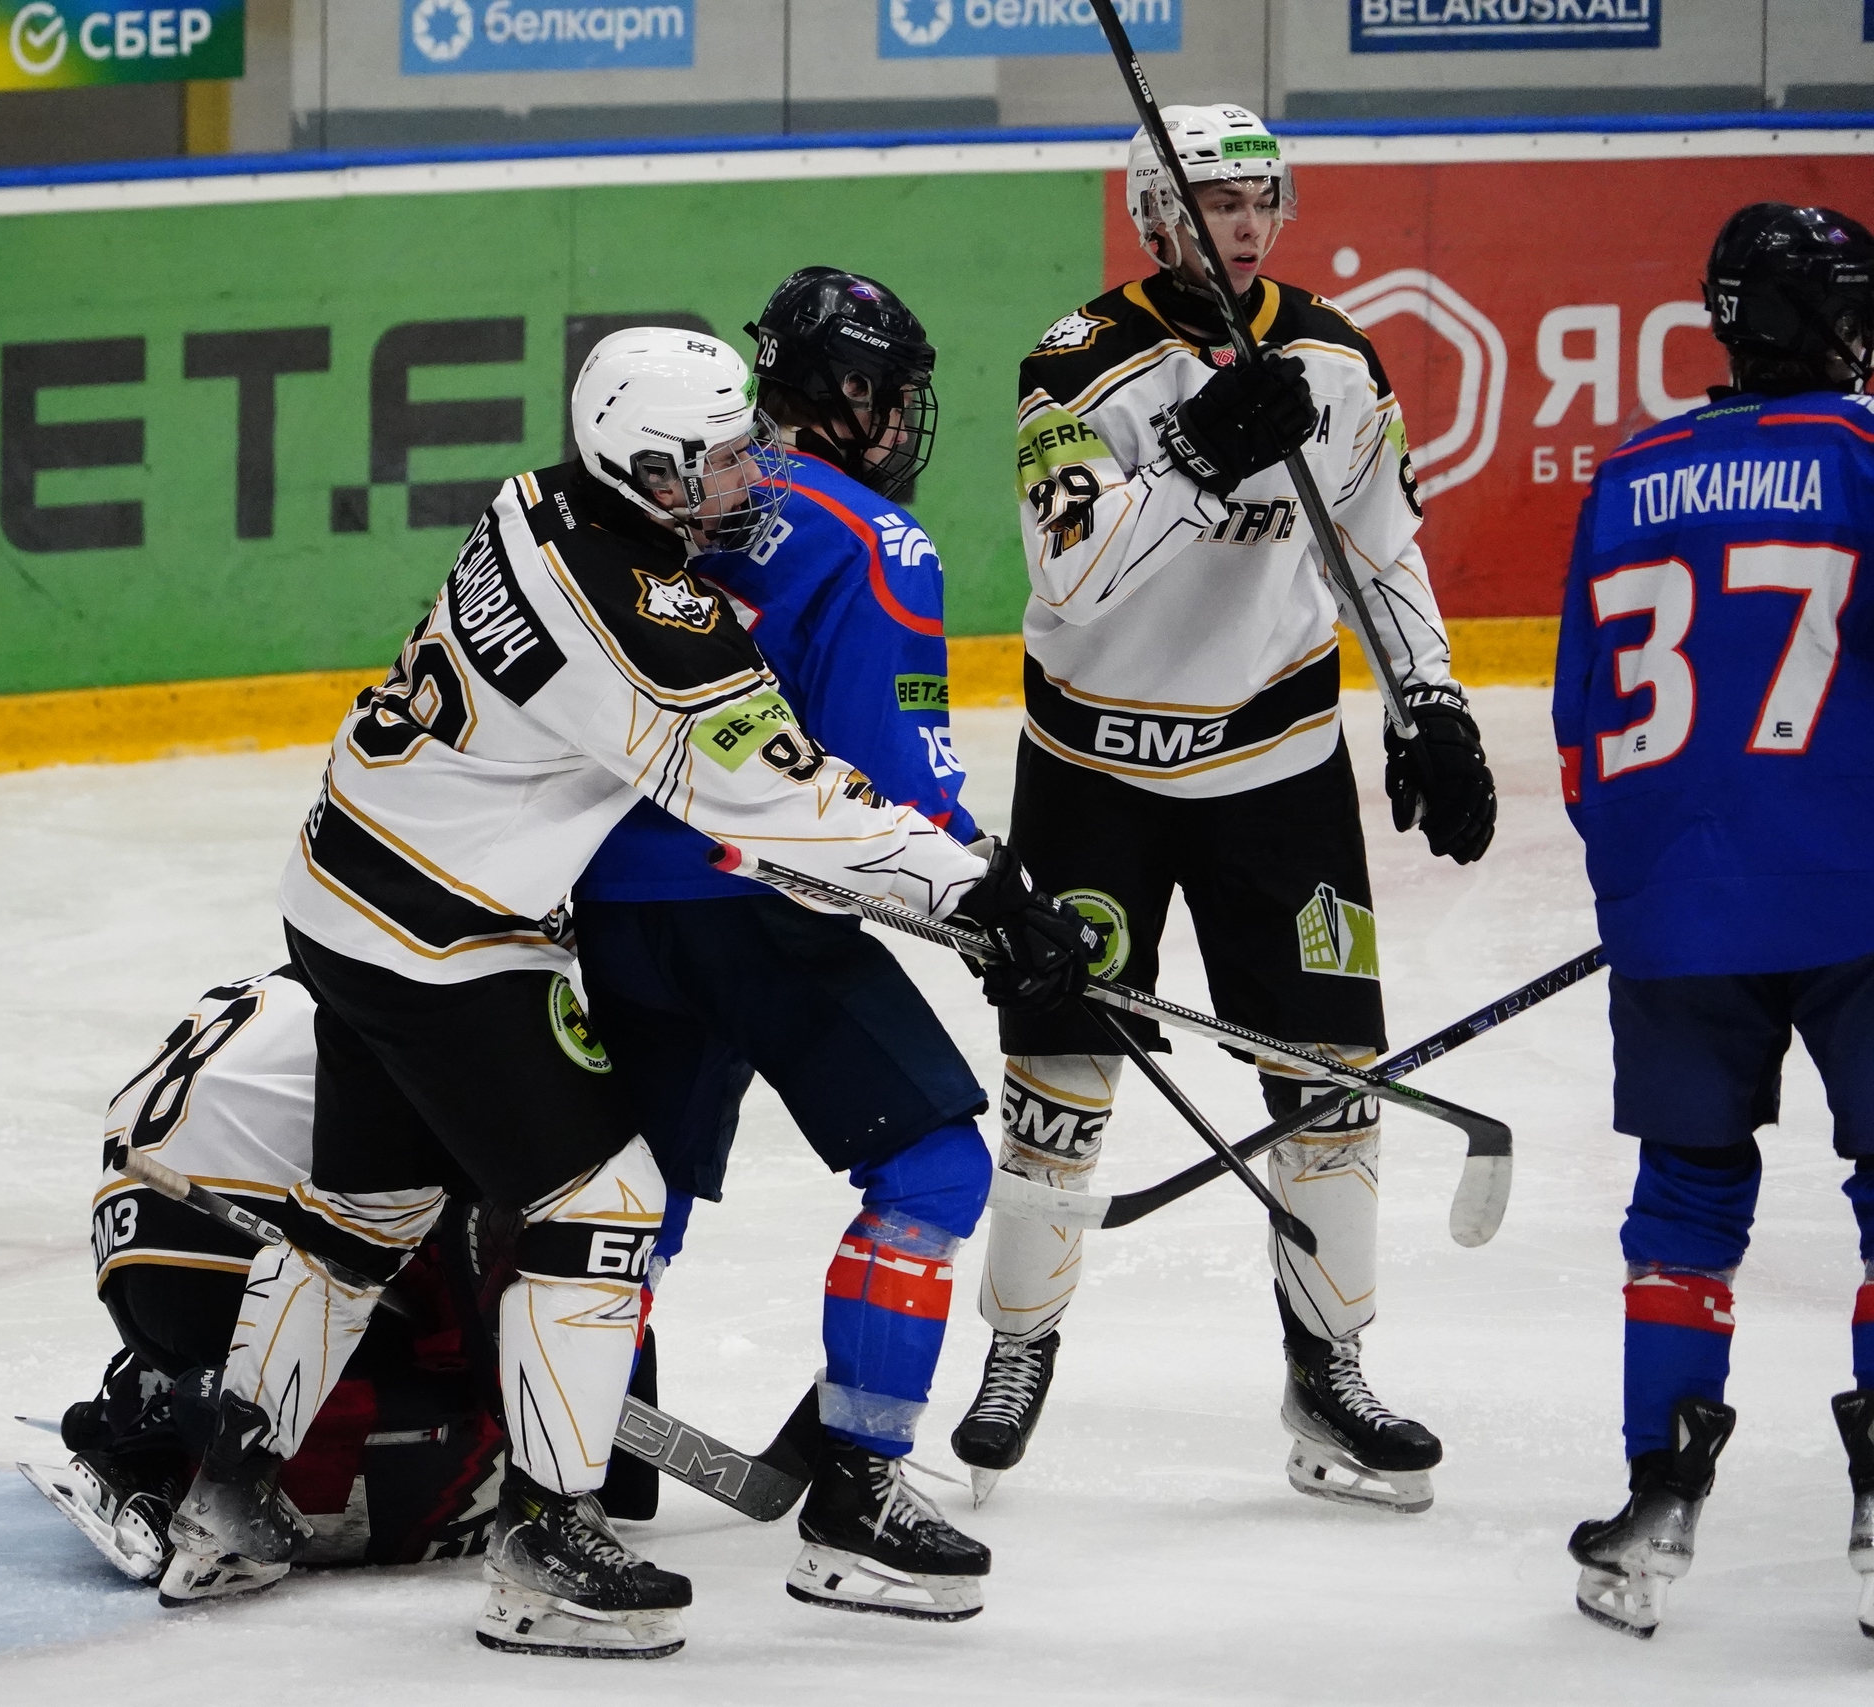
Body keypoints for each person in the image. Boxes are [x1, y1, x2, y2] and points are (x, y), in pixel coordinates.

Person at [170, 327, 1094, 1659]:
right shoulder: (642, 623)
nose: (750, 476)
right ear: (650, 472)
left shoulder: (537, 498)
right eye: (718, 461)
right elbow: (790, 803)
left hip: (338, 888)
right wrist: (985, 892)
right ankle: (547, 1542)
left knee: (366, 1212)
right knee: (603, 1207)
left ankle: (225, 1493)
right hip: (441, 939)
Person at [951, 103, 1499, 1513]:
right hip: (1096, 780)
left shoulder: (1334, 355)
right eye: (1211, 202)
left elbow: (1379, 548)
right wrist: (1194, 462)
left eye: (1260, 201)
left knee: (1332, 1083)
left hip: (1279, 770)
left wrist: (1430, 699)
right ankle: (1018, 1348)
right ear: (1153, 216)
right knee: (1059, 1087)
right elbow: (1074, 579)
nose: (1242, 227)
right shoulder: (1076, 366)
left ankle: (1330, 1367)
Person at [572, 269, 997, 1620]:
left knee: (630, 1201)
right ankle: (858, 1499)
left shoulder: (664, 496)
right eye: (896, 396)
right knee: (933, 1166)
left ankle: (583, 1465)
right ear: (850, 396)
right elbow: (893, 790)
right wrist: (1005, 903)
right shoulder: (874, 539)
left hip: (604, 900)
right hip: (755, 906)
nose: (906, 424)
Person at [1553, 201, 1874, 1639]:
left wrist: (1657, 876)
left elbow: (1580, 726)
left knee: (1684, 1202)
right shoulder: (1863, 455)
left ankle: (1655, 1497)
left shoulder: (1628, 472)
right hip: (1858, 889)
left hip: (1674, 905)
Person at [30, 966, 523, 1595]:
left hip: (130, 1259)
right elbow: (472, 1224)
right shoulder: (447, 990)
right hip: (238, 1249)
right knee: (441, 1387)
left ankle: (143, 1411)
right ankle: (185, 1437)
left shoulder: (322, 968)